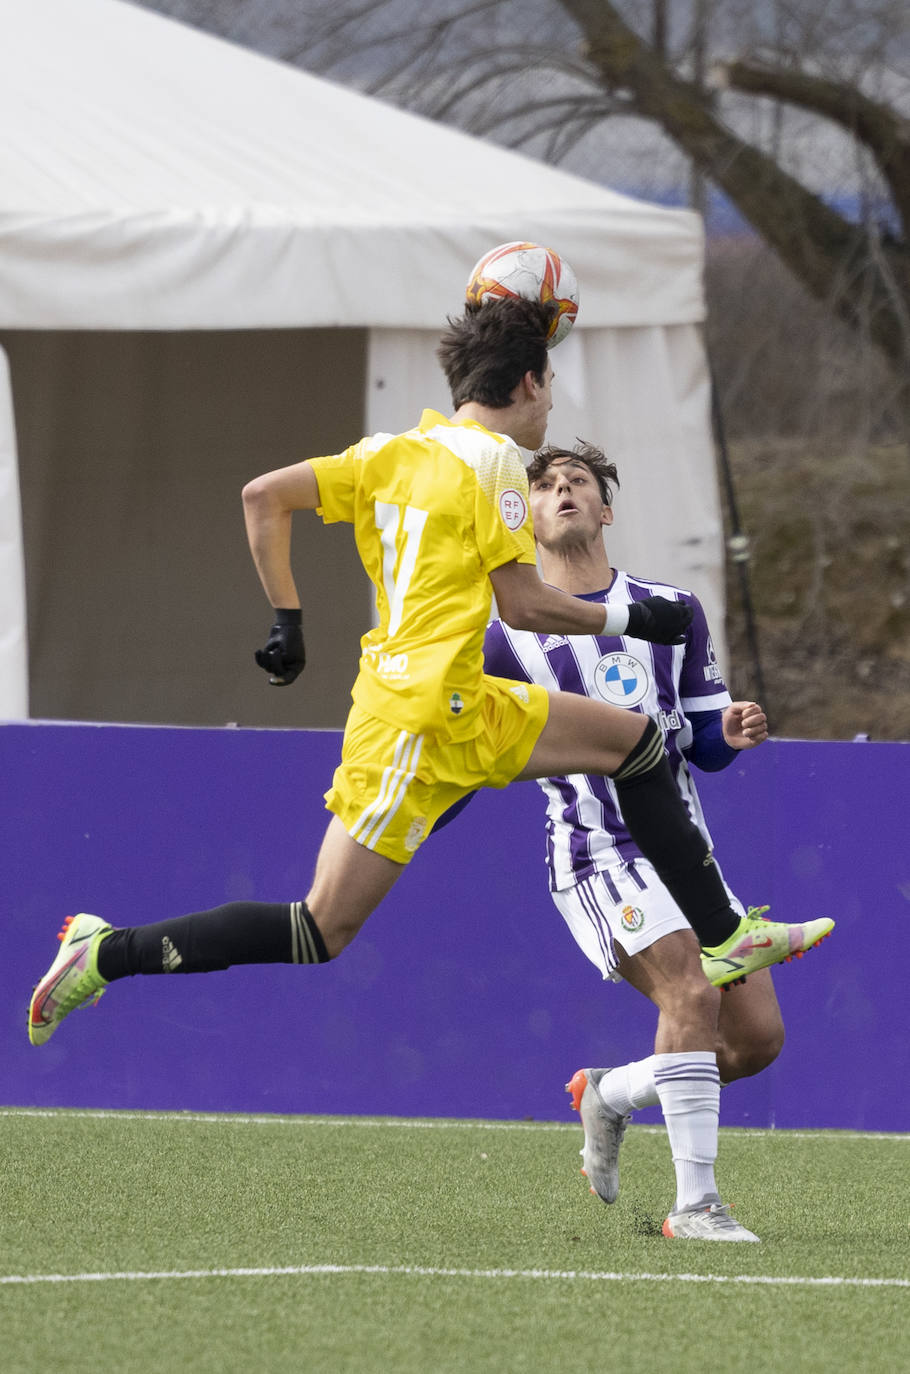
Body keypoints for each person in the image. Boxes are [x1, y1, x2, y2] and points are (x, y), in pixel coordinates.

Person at [28, 296, 824, 1122]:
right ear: (527, 383)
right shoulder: (495, 467)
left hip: (464, 700)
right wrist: (632, 617)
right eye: (550, 386)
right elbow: (523, 605)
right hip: (418, 724)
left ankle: (725, 933)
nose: (550, 407)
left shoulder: (388, 452)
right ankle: (105, 952)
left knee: (639, 745)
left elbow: (262, 495)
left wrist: (287, 618)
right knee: (318, 929)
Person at [479, 441, 834, 1242]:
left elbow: (700, 740)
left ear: (605, 509)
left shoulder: (670, 609)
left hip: (684, 855)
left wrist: (728, 733)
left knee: (755, 1041)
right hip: (598, 854)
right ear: (527, 519)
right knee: (691, 994)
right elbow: (485, 750)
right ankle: (696, 1207)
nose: (562, 492)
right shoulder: (505, 637)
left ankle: (609, 1093)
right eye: (546, 486)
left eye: (578, 482)